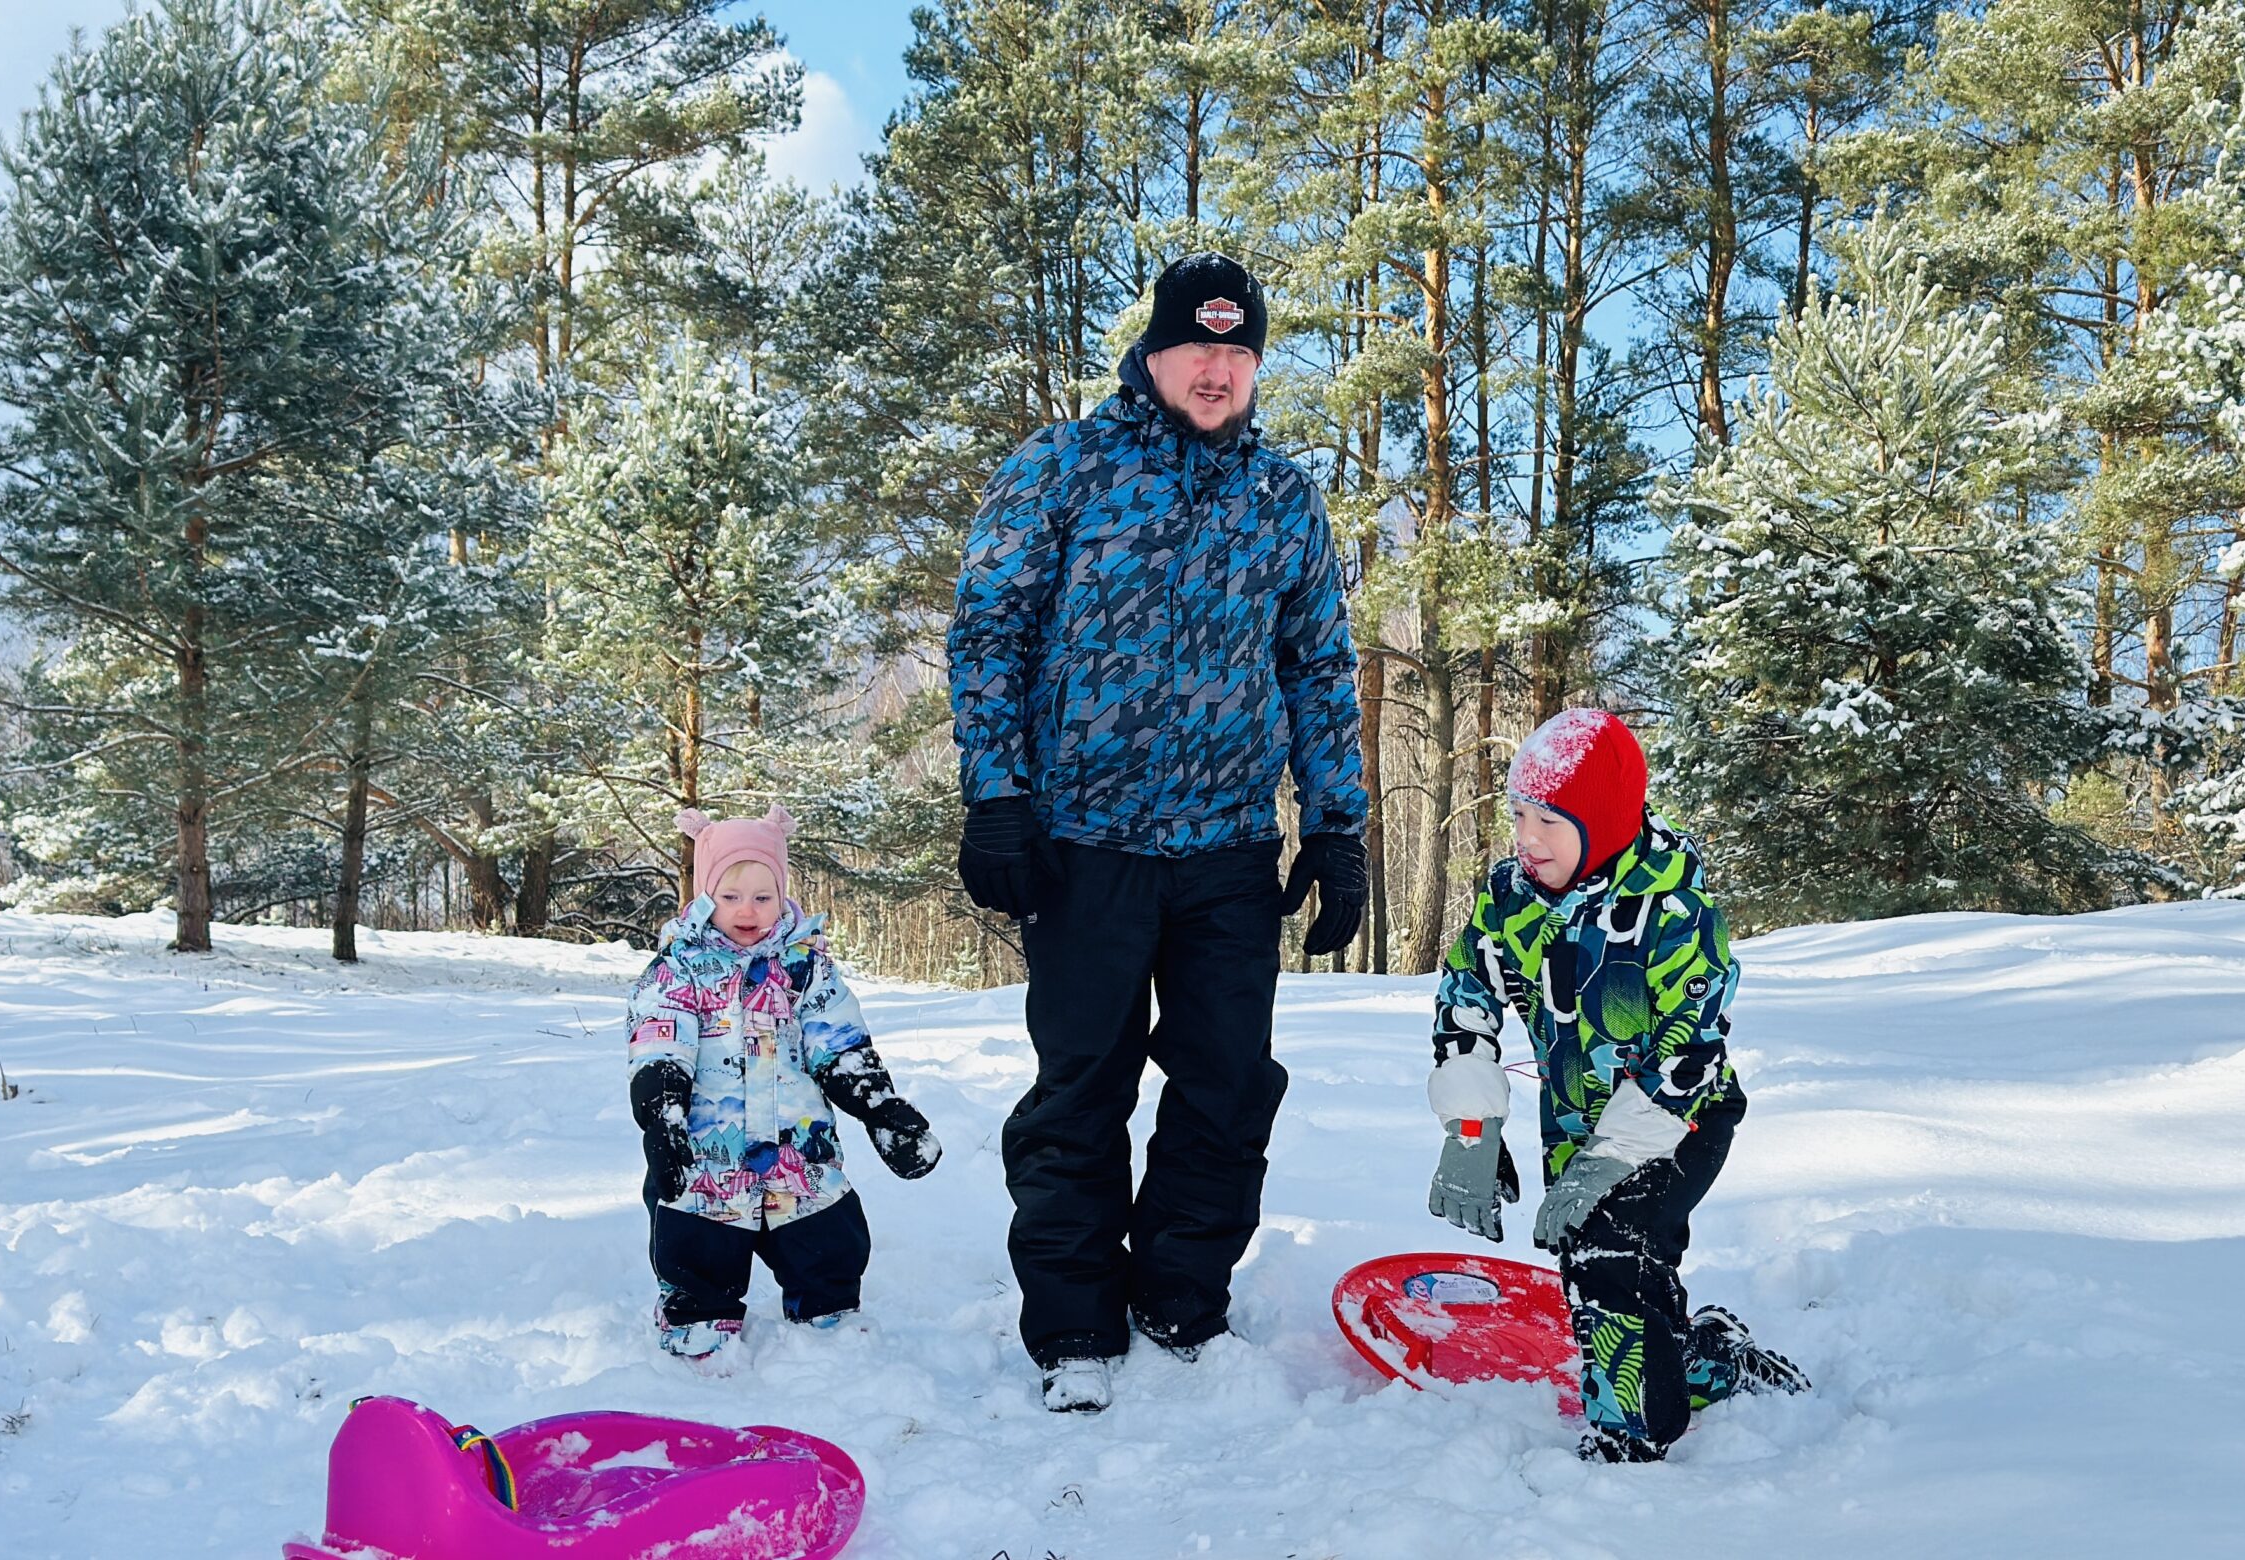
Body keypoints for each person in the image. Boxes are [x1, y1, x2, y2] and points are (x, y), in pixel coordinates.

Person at [946, 252, 1368, 1412]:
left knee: (1229, 1083)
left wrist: (1336, 828)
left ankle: (1181, 1296)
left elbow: (1318, 667)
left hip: (1230, 848)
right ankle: (1074, 1320)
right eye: (1199, 346)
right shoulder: (1064, 468)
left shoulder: (1283, 498)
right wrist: (997, 795)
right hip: (1084, 844)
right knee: (1082, 1084)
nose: (1218, 368)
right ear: (1152, 353)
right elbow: (991, 635)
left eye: (1239, 351)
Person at [1423, 709, 1806, 1461]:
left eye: (1549, 821)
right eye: (1519, 815)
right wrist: (1472, 1127)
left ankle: (1630, 1439)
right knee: (1602, 1262)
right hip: (1575, 1119)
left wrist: (1610, 1160)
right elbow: (1466, 996)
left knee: (1610, 1252)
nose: (1527, 837)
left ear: (1599, 824)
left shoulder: (1673, 913)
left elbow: (1687, 1052)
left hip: (1679, 1116)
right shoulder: (1511, 900)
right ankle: (1710, 1355)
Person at [625, 805, 941, 1368]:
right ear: (704, 895)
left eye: (763, 897)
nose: (748, 910)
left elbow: (839, 1042)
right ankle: (698, 1314)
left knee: (823, 1229)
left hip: (800, 1141)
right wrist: (662, 1114)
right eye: (730, 896)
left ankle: (828, 1309)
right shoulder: (680, 967)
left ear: (783, 895)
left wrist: (881, 1108)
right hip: (706, 1147)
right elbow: (660, 1040)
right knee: (699, 1235)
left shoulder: (808, 967)